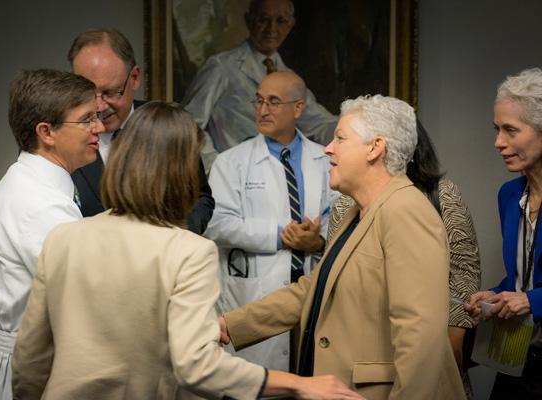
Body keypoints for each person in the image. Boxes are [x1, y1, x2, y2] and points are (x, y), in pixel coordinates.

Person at [11, 101, 363, 400]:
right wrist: (297, 385)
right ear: (182, 172)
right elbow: (198, 367)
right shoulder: (188, 251)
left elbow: (30, 359)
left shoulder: (64, 239)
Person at [219, 95, 466, 399]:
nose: (328, 148)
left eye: (340, 139)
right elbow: (314, 290)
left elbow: (420, 334)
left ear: (375, 148)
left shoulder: (405, 211)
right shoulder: (356, 211)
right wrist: (230, 325)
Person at [326, 120, 481, 396]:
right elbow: (334, 277)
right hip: (365, 348)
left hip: (430, 340)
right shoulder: (344, 205)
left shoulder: (441, 194)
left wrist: (455, 331)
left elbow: (463, 269)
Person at [0, 69, 103, 400]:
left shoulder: (37, 185)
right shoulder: (40, 205)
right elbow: (88, 297)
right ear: (46, 132)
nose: (99, 128)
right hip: (32, 372)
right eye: (87, 119)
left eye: (98, 117)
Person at [204, 71, 336, 371]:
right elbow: (217, 223)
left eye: (274, 102)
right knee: (258, 382)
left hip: (311, 291)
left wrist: (317, 241)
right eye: (259, 101)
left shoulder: (326, 160)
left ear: (298, 108)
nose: (262, 110)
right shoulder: (231, 162)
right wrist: (280, 236)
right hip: (254, 295)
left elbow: (338, 217)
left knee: (310, 376)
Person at [68, 27, 214, 233]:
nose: (99, 106)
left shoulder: (170, 125)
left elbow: (200, 198)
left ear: (135, 77)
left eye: (110, 92)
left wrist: (176, 238)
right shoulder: (58, 135)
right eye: (87, 92)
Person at [467, 68, 542, 400]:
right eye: (497, 130)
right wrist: (497, 295)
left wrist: (530, 301)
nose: (498, 142)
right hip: (519, 359)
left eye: (510, 130)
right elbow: (523, 280)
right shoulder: (509, 196)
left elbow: (531, 295)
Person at [183, 0, 337, 153]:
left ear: (290, 26)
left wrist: (356, 124)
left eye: (280, 21)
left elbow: (320, 124)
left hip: (277, 173)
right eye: (263, 20)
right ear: (248, 21)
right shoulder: (221, 67)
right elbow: (189, 125)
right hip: (234, 172)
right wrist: (214, 165)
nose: (271, 29)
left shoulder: (289, 77)